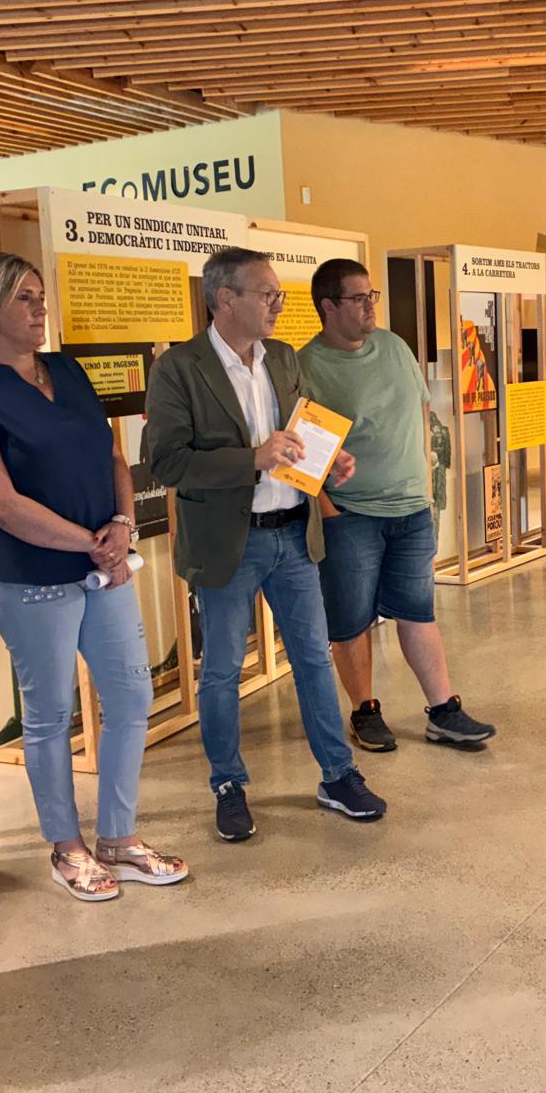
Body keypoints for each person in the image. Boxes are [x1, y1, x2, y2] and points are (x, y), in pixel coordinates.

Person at [0, 253, 186, 900]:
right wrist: (91, 543)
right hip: (28, 573)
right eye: (24, 297)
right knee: (50, 711)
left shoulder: (67, 371)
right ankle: (66, 847)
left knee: (130, 697)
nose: (40, 307)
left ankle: (118, 838)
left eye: (40, 295)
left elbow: (112, 455)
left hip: (102, 563)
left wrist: (122, 527)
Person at [144, 247, 385, 841]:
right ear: (225, 299)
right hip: (229, 545)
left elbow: (300, 434)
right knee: (223, 672)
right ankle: (228, 784)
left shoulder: (280, 357)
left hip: (293, 537)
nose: (278, 304)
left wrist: (329, 462)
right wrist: (251, 459)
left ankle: (338, 775)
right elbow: (167, 462)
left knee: (312, 660)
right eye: (267, 294)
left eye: (278, 294)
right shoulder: (179, 369)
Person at [298, 258, 497, 753]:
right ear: (328, 306)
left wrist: (423, 481)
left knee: (417, 611)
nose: (370, 306)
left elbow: (421, 412)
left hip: (410, 508)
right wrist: (329, 511)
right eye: (358, 298)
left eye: (373, 296)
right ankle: (365, 712)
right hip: (352, 514)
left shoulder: (394, 347)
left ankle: (443, 711)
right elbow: (304, 451)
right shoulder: (307, 367)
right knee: (352, 621)